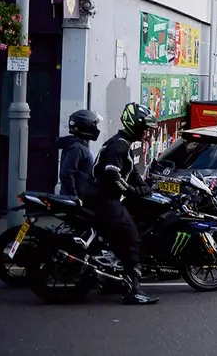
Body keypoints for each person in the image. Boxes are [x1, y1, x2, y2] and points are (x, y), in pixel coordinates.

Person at [86, 102, 160, 305]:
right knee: (132, 239)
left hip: (104, 198)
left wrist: (145, 187)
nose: (146, 133)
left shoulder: (123, 143)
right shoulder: (119, 145)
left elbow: (131, 171)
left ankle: (112, 277)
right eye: (144, 129)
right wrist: (132, 190)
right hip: (104, 200)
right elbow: (113, 175)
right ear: (135, 126)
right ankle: (133, 291)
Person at [58, 109, 102, 198]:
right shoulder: (76, 148)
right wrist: (74, 197)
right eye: (94, 125)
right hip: (75, 201)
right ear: (87, 126)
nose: (96, 129)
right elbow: (66, 174)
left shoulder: (78, 145)